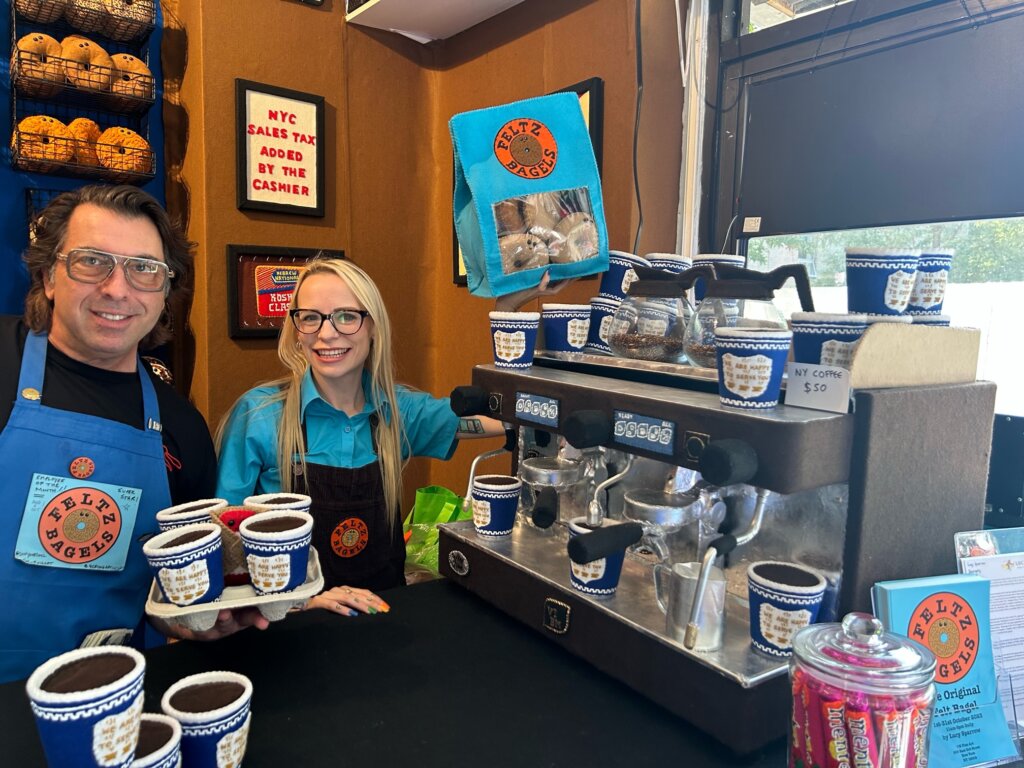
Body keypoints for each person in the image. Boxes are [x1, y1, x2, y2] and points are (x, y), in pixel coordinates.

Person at [0, 185, 263, 684]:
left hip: (113, 702)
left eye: (144, 269)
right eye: (92, 261)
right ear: (47, 276)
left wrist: (202, 622)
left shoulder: (182, 427)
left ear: (165, 293)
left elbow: (171, 594)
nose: (118, 289)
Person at [216, 258, 562, 616]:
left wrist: (507, 308)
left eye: (346, 316)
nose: (326, 333)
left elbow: (506, 416)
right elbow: (227, 549)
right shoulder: (258, 415)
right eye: (310, 317)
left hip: (383, 619)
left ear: (373, 328)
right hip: (291, 627)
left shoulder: (400, 412)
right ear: (296, 329)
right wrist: (303, 601)